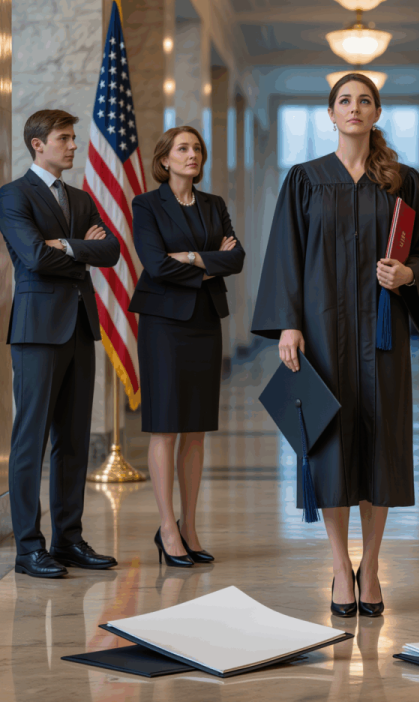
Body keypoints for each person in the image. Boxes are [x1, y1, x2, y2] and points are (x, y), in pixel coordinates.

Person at [251, 73, 419, 616]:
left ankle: (373, 566)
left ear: (377, 112)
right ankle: (340, 568)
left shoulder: (403, 182)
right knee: (330, 446)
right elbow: (285, 253)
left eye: (364, 101)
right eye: (344, 101)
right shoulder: (306, 180)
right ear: (330, 114)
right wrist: (288, 323)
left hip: (383, 334)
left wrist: (406, 276)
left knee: (380, 446)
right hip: (323, 333)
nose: (354, 108)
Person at [0, 109, 121, 578]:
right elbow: (31, 257)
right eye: (64, 138)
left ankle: (69, 539)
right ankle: (29, 547)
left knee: (72, 440)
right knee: (29, 439)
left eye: (73, 138)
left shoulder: (81, 198)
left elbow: (109, 250)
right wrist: (78, 248)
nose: (73, 145)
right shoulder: (13, 195)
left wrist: (64, 246)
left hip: (79, 329)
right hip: (36, 331)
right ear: (37, 144)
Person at [129, 126, 245, 568]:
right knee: (165, 426)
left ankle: (190, 525)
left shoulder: (214, 205)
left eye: (197, 148)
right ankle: (166, 528)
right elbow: (155, 265)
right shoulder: (147, 204)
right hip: (162, 324)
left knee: (196, 428)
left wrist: (192, 258)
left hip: (204, 322)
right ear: (165, 160)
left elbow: (235, 258)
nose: (192, 154)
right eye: (183, 148)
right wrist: (209, 259)